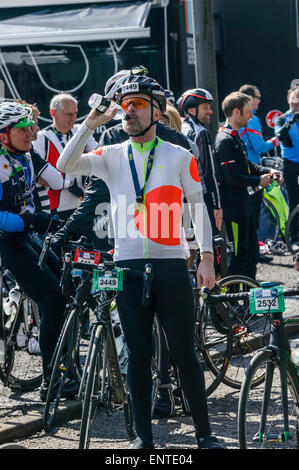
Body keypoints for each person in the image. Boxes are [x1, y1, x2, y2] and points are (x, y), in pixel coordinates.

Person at [57, 72, 225, 449]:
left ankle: (205, 434)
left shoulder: (180, 154)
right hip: (128, 266)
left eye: (137, 105)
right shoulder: (111, 155)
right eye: (125, 106)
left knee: (184, 352)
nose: (128, 112)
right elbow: (67, 165)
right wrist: (91, 121)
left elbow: (198, 206)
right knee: (137, 355)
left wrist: (207, 257)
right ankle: (143, 438)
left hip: (170, 264)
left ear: (157, 111)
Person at [0, 101, 77, 401]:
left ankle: (67, 367)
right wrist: (25, 220)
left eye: (30, 126)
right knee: (52, 300)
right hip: (8, 241)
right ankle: (51, 380)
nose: (31, 132)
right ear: (4, 134)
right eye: (22, 129)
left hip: (29, 234)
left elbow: (54, 182)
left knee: (68, 289)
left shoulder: (27, 154)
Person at [214, 91, 282, 280]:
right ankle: (235, 301)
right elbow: (233, 177)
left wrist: (267, 172)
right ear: (236, 112)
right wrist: (259, 180)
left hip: (244, 203)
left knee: (251, 251)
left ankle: (250, 295)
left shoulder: (235, 136)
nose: (252, 116)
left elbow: (248, 165)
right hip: (233, 206)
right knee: (238, 254)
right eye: (248, 112)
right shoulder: (224, 140)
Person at [32, 93, 98, 220]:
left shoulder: (81, 131)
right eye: (68, 114)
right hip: (55, 210)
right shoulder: (41, 138)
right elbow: (38, 177)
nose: (73, 118)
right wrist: (68, 184)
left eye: (75, 113)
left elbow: (98, 157)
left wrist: (92, 181)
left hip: (83, 207)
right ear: (53, 113)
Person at [238, 84, 280, 263]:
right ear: (249, 99)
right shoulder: (252, 118)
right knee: (253, 214)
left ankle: (251, 253)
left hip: (245, 169)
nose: (260, 101)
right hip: (253, 170)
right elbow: (260, 146)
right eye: (258, 97)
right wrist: (276, 141)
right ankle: (254, 254)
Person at [177, 88, 222, 236]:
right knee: (209, 245)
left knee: (189, 247)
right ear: (191, 109)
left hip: (182, 199)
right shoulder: (200, 132)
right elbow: (210, 172)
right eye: (205, 108)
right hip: (201, 199)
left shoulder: (178, 129)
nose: (210, 111)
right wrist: (217, 205)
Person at [275, 85, 299, 244]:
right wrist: (292, 119)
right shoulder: (282, 118)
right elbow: (280, 136)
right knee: (294, 200)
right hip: (290, 164)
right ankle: (294, 237)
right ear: (288, 101)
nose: (296, 106)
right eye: (293, 102)